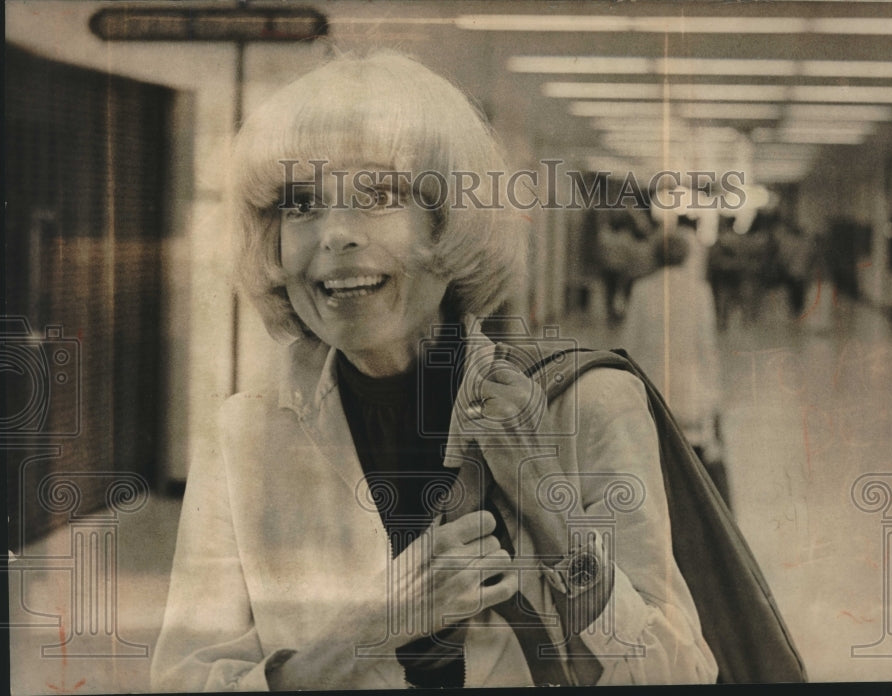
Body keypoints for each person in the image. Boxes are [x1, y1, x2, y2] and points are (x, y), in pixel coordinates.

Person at [150, 52, 717, 690]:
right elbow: (184, 681)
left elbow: (678, 673)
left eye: (378, 195)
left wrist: (550, 510)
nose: (335, 235)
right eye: (301, 204)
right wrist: (368, 631)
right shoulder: (244, 435)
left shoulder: (586, 405)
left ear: (448, 223)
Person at [620, 216, 731, 507]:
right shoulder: (700, 291)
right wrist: (714, 398)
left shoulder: (641, 290)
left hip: (652, 389)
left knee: (656, 465)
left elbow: (629, 345)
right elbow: (707, 348)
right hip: (691, 394)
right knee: (693, 470)